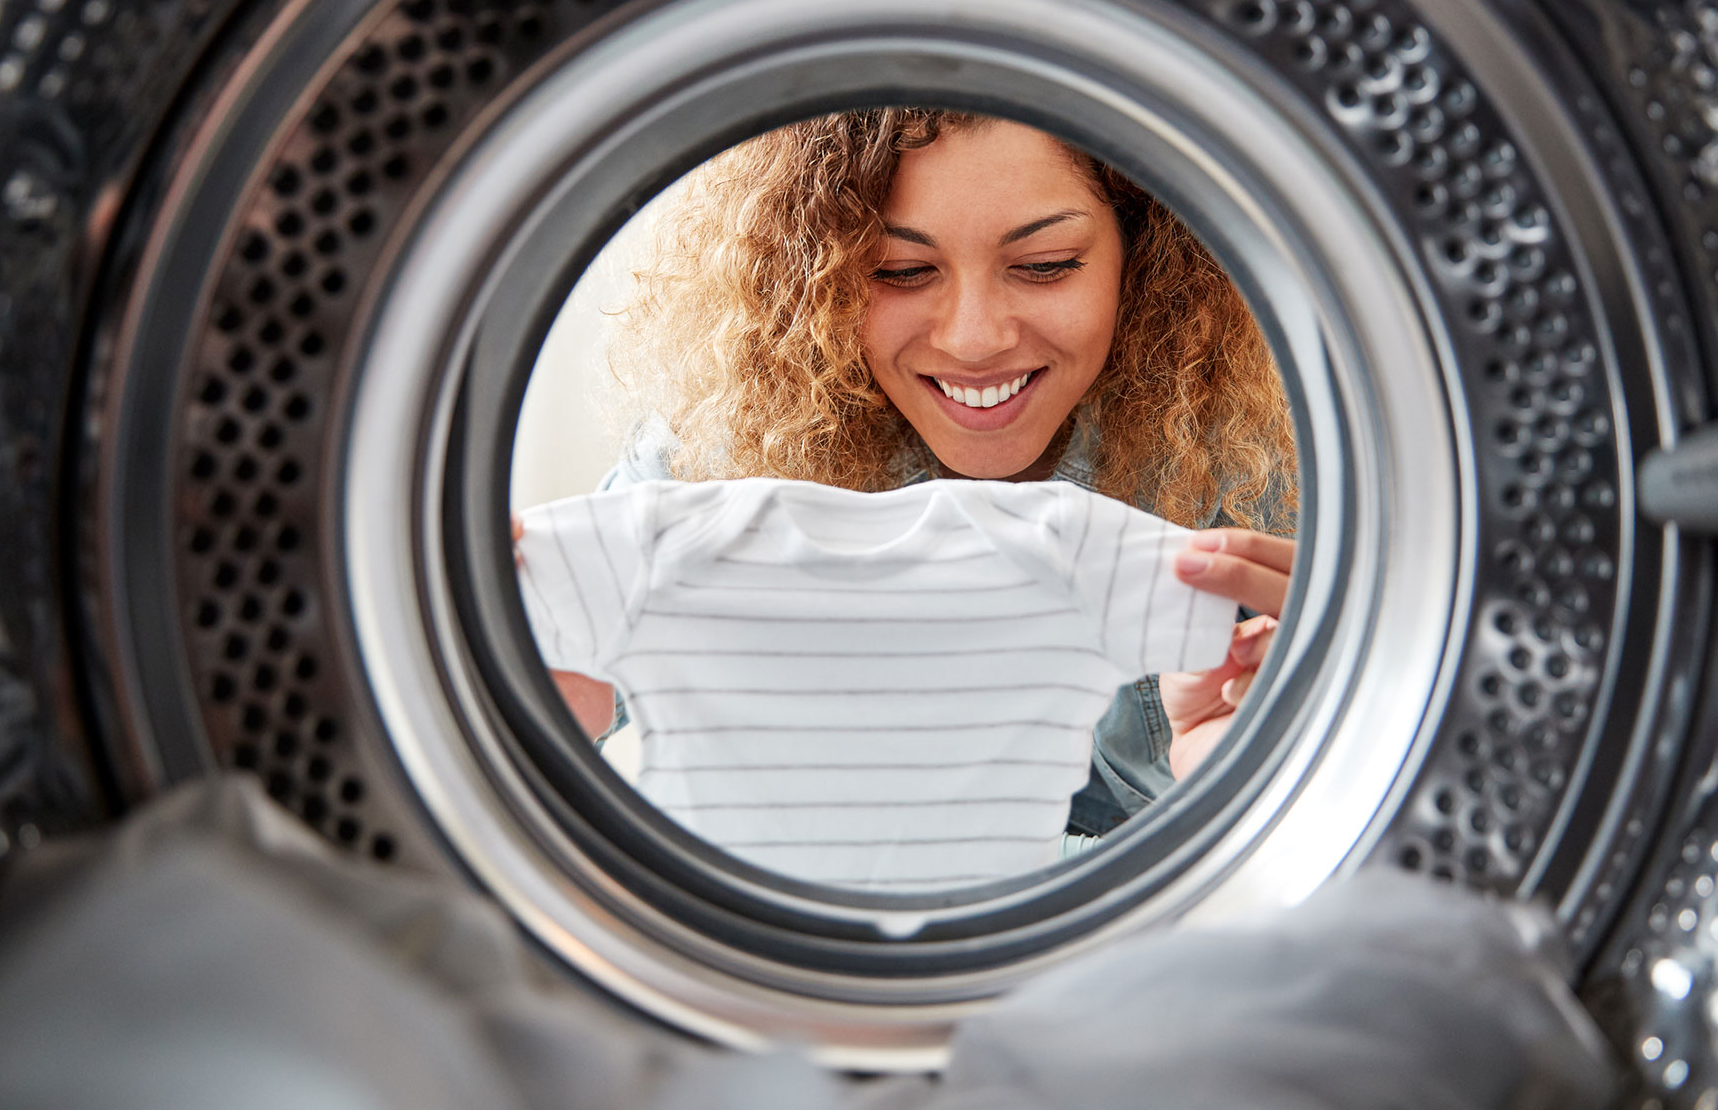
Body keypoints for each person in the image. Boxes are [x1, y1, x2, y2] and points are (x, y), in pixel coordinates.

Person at [526, 108, 1299, 839]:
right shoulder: (713, 458)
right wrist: (529, 704)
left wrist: (1250, 772)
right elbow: (525, 752)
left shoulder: (1266, 478)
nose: (973, 340)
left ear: (1146, 252)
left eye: (1044, 266)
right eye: (900, 271)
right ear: (811, 274)